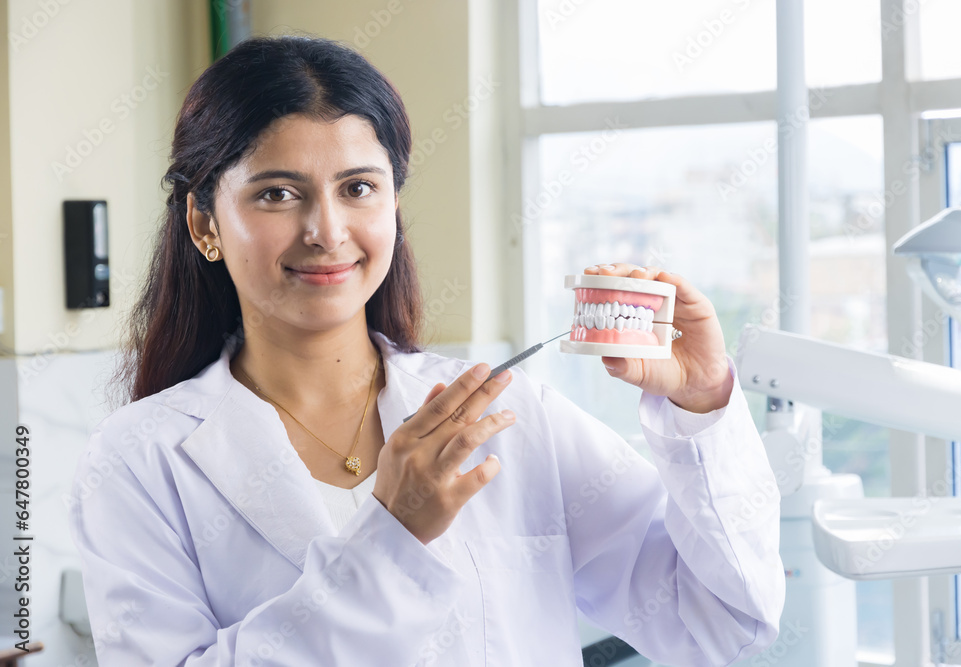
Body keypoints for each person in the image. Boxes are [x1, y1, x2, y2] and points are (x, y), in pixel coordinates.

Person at [68, 34, 784, 666]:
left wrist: (700, 407)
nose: (327, 229)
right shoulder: (139, 460)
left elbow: (721, 621)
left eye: (358, 188)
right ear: (204, 224)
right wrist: (392, 536)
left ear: (393, 206)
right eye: (278, 194)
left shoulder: (508, 414)